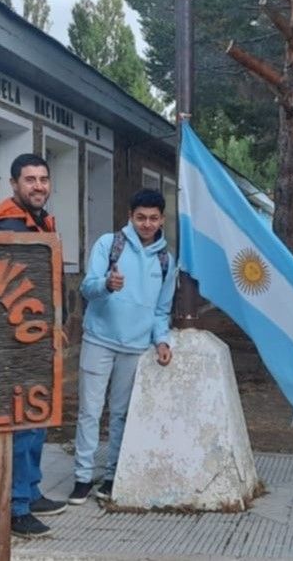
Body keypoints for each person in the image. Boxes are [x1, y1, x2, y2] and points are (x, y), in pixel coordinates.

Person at [68, 189, 177, 506]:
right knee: (89, 411)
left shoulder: (166, 260)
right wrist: (107, 284)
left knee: (121, 414)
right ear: (130, 216)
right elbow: (88, 287)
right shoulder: (109, 244)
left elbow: (161, 310)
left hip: (135, 347)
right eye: (140, 217)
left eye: (153, 218)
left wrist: (162, 341)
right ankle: (82, 477)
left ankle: (113, 475)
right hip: (99, 340)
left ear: (162, 220)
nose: (147, 223)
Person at [0, 153, 68, 538]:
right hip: (16, 341)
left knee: (37, 420)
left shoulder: (40, 221)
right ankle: (16, 508)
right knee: (22, 422)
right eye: (30, 179)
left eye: (43, 179)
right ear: (13, 184)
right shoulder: (9, 224)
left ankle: (30, 490)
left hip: (39, 337)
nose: (38, 186)